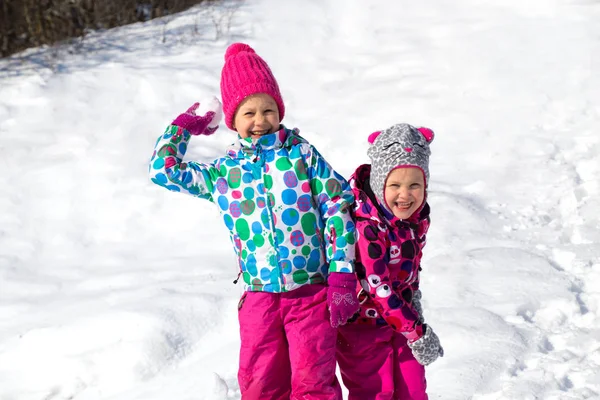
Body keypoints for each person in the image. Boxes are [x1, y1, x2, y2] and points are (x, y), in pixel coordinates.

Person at [149, 42, 359, 399]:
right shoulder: (224, 173)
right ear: (233, 120)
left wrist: (341, 272)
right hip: (259, 299)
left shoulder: (300, 154)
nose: (260, 121)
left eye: (268, 110)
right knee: (260, 384)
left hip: (309, 293)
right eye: (249, 113)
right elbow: (162, 170)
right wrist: (183, 127)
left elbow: (337, 203)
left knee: (313, 384)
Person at [336, 123, 444, 400]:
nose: (405, 195)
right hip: (362, 328)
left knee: (413, 389)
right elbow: (378, 286)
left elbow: (411, 271)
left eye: (414, 185)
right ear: (378, 183)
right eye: (394, 185)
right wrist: (417, 332)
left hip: (402, 323)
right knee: (376, 392)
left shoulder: (415, 221)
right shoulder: (367, 228)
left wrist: (415, 304)